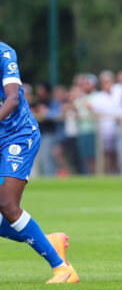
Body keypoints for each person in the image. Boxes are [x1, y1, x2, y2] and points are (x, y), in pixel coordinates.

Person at [0, 41, 78, 283]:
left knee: (7, 204)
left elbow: (12, 100)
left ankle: (62, 269)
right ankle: (50, 242)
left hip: (18, 134)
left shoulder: (4, 53)